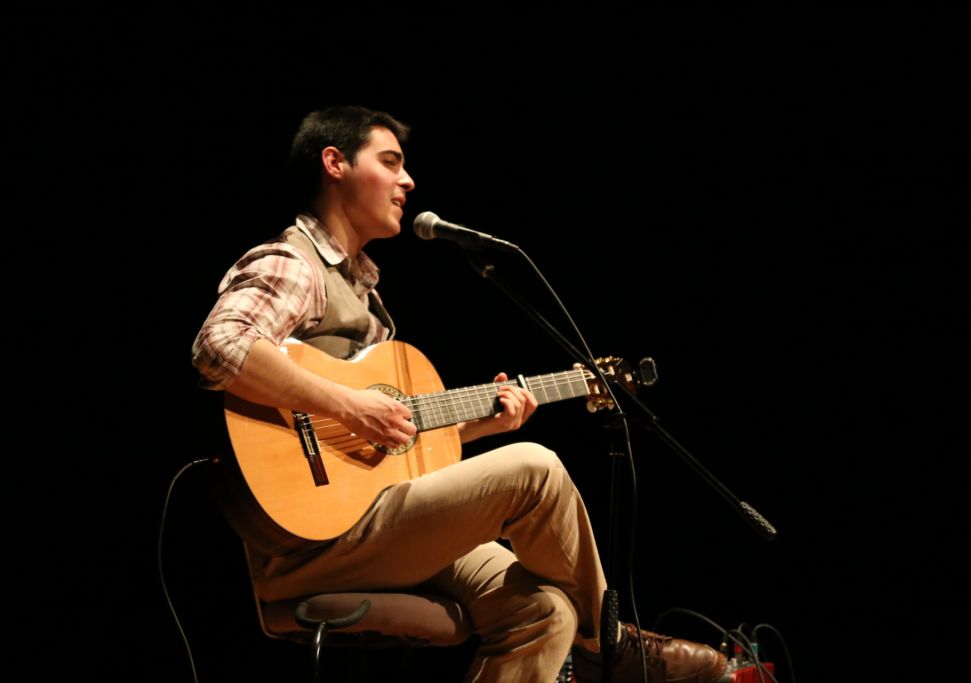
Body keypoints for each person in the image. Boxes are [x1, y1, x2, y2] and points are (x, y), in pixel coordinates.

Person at [191, 105, 727, 683]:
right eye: (390, 162)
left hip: (369, 519)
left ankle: (589, 636)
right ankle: (610, 646)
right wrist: (351, 404)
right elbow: (219, 346)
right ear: (334, 164)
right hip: (305, 543)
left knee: (545, 612)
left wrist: (478, 426)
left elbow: (382, 446)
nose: (408, 181)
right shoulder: (293, 263)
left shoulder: (366, 295)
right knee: (535, 469)